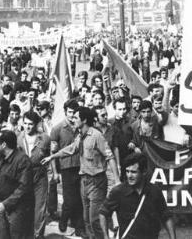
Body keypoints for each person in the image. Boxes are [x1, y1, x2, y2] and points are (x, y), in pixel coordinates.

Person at [43, 106, 120, 239]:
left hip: (97, 182)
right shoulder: (80, 136)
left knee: (94, 219)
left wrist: (117, 180)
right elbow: (71, 149)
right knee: (86, 219)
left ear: (84, 120)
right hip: (84, 181)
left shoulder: (96, 135)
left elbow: (110, 157)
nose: (73, 120)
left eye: (76, 117)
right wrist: (52, 157)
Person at [99, 153, 175, 239]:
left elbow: (166, 216)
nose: (129, 176)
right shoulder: (118, 192)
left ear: (144, 171)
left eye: (133, 172)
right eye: (127, 171)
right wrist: (106, 236)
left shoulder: (155, 191)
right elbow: (103, 213)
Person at [49, 99, 84, 235]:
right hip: (67, 168)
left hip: (81, 166)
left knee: (80, 197)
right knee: (69, 198)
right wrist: (55, 172)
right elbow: (52, 152)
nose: (72, 115)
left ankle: (78, 225)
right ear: (65, 112)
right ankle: (64, 218)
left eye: (75, 112)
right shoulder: (57, 129)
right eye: (70, 112)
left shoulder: (81, 126)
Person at [18, 111, 51, 239]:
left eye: (30, 124)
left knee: (40, 209)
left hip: (40, 175)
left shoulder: (45, 138)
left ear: (36, 124)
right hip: (23, 176)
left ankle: (38, 235)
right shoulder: (18, 138)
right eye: (25, 123)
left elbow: (50, 156)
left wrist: (53, 173)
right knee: (25, 207)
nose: (27, 127)